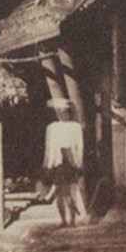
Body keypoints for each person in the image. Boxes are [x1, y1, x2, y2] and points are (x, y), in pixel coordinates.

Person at [42, 97, 86, 226]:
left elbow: (80, 145)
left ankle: (72, 219)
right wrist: (47, 164)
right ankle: (62, 219)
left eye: (65, 111)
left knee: (70, 191)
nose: (63, 114)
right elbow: (49, 147)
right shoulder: (52, 128)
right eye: (60, 111)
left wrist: (79, 163)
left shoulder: (75, 127)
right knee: (60, 195)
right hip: (57, 161)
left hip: (71, 160)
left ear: (68, 112)